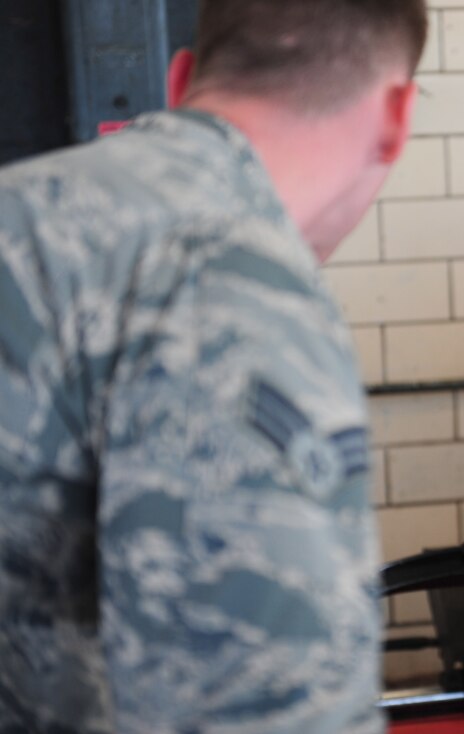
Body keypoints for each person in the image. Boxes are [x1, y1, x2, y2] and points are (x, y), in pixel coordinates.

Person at [0, 1, 426, 731]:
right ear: (396, 115)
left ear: (181, 77)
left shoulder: (24, 213)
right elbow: (256, 710)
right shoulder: (232, 286)